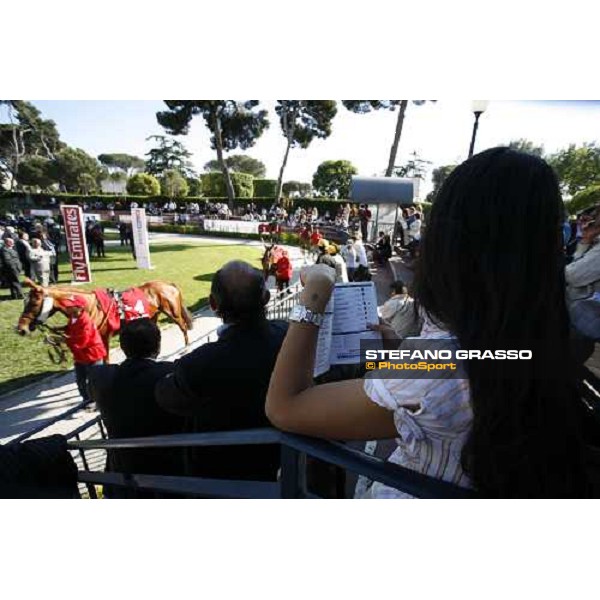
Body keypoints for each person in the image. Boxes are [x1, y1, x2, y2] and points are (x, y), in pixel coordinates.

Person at [266, 147, 594, 499]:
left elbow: (286, 406)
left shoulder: (441, 366)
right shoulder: (550, 340)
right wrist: (405, 353)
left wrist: (315, 292)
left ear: (453, 245)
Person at [155, 261, 287, 483]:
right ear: (266, 299)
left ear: (213, 304)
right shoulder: (289, 335)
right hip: (281, 459)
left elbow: (164, 395)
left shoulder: (198, 363)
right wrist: (369, 348)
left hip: (222, 475)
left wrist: (370, 356)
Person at [88, 319, 185, 498]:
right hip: (169, 476)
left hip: (121, 477)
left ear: (124, 348)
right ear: (158, 346)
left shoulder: (101, 377)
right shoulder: (171, 373)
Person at [62, 295, 107, 403]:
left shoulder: (85, 321)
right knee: (80, 381)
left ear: (79, 308)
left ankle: (101, 401)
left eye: (70, 306)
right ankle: (87, 400)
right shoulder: (73, 318)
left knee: (95, 380)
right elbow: (70, 329)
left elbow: (83, 340)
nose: (67, 308)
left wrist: (65, 340)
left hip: (92, 355)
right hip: (80, 356)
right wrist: (62, 330)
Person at [566, 204, 600, 342]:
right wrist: (586, 240)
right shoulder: (595, 243)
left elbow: (572, 276)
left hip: (586, 320)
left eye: (595, 216)